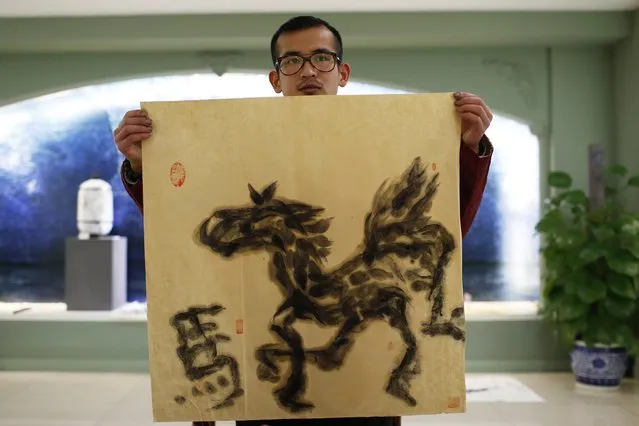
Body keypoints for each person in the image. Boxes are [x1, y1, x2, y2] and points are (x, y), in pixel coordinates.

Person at [113, 15, 493, 426]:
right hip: (261, 397)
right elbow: (185, 226)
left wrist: (468, 145)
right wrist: (142, 163)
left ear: (342, 71)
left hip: (364, 394)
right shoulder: (241, 147)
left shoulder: (385, 142)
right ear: (276, 78)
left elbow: (451, 225)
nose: (308, 70)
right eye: (291, 61)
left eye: (322, 58)